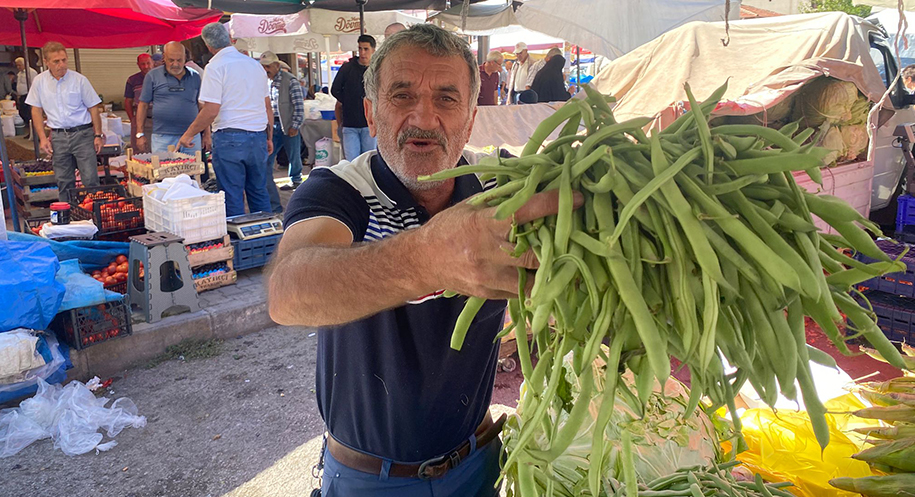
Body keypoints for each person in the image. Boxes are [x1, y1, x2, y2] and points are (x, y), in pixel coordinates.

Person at [268, 24, 568, 497]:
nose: (424, 117)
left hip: (478, 461)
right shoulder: (342, 189)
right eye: (401, 96)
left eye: (447, 99)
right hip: (370, 480)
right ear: (370, 112)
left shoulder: (502, 190)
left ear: (470, 120)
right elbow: (289, 293)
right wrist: (429, 256)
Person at [179, 22, 273, 217]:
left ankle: (239, 244)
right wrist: (269, 137)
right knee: (259, 191)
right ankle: (268, 241)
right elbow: (266, 106)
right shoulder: (254, 65)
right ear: (230, 39)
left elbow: (211, 109)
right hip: (257, 136)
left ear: (208, 45)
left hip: (230, 137)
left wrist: (188, 134)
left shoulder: (215, 67)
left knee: (232, 195)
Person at [26, 41, 104, 203]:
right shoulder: (39, 82)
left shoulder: (79, 80)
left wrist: (97, 135)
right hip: (58, 136)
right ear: (46, 62)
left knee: (90, 179)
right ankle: (68, 216)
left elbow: (94, 108)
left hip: (82, 134)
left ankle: (96, 215)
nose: (62, 64)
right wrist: (42, 137)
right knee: (63, 180)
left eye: (64, 60)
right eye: (56, 61)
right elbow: (36, 110)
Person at [136, 41, 208, 155]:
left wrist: (207, 134)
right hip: (162, 137)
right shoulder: (152, 76)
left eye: (179, 60)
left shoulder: (195, 76)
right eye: (171, 60)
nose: (175, 64)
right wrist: (140, 134)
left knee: (192, 172)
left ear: (185, 58)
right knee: (164, 172)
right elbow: (143, 105)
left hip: (191, 136)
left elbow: (202, 107)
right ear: (164, 58)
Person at [260, 51, 306, 211]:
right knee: (268, 157)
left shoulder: (290, 81)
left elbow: (299, 105)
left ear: (277, 66)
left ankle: (296, 179)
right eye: (263, 66)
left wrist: (295, 124)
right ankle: (269, 181)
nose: (266, 69)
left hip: (287, 123)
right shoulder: (266, 82)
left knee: (293, 154)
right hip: (273, 125)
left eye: (268, 66)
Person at [331, 34, 377, 161]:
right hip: (350, 123)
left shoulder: (376, 69)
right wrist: (349, 100)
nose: (362, 52)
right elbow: (335, 89)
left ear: (373, 50)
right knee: (352, 162)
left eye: (366, 49)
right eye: (360, 48)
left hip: (370, 123)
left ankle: (367, 182)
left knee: (369, 161)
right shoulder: (347, 68)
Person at [125, 53, 154, 151]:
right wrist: (132, 119)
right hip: (140, 118)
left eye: (148, 63)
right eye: (142, 64)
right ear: (138, 65)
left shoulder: (160, 77)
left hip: (157, 118)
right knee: (139, 150)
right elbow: (128, 101)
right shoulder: (132, 80)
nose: (146, 66)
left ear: (153, 63)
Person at [15, 57, 38, 139]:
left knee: (30, 114)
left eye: (19, 65)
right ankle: (29, 129)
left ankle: (33, 132)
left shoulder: (31, 72)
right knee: (22, 113)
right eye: (17, 65)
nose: (18, 67)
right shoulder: (19, 73)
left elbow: (34, 84)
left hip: (28, 95)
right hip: (22, 96)